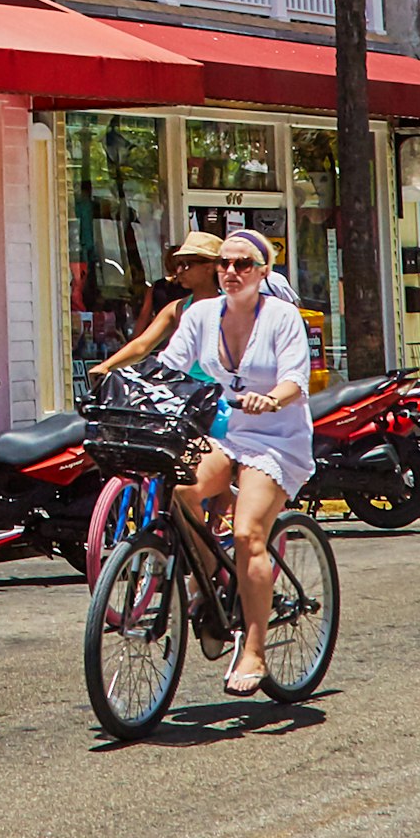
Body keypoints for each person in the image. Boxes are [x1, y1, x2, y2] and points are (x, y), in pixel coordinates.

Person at [164, 225, 316, 697]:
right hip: (223, 431)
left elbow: (296, 380)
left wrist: (270, 400)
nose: (231, 271)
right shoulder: (201, 314)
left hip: (276, 438)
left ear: (263, 272)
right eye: (225, 263)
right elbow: (169, 366)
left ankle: (253, 649)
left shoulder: (282, 317)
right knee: (182, 491)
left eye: (243, 264)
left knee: (250, 533)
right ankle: (208, 574)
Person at [91, 230, 225, 374]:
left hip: (224, 390)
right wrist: (106, 366)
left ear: (209, 267)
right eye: (177, 265)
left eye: (186, 264)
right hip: (187, 390)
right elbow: (141, 345)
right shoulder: (176, 309)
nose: (179, 271)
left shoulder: (232, 307)